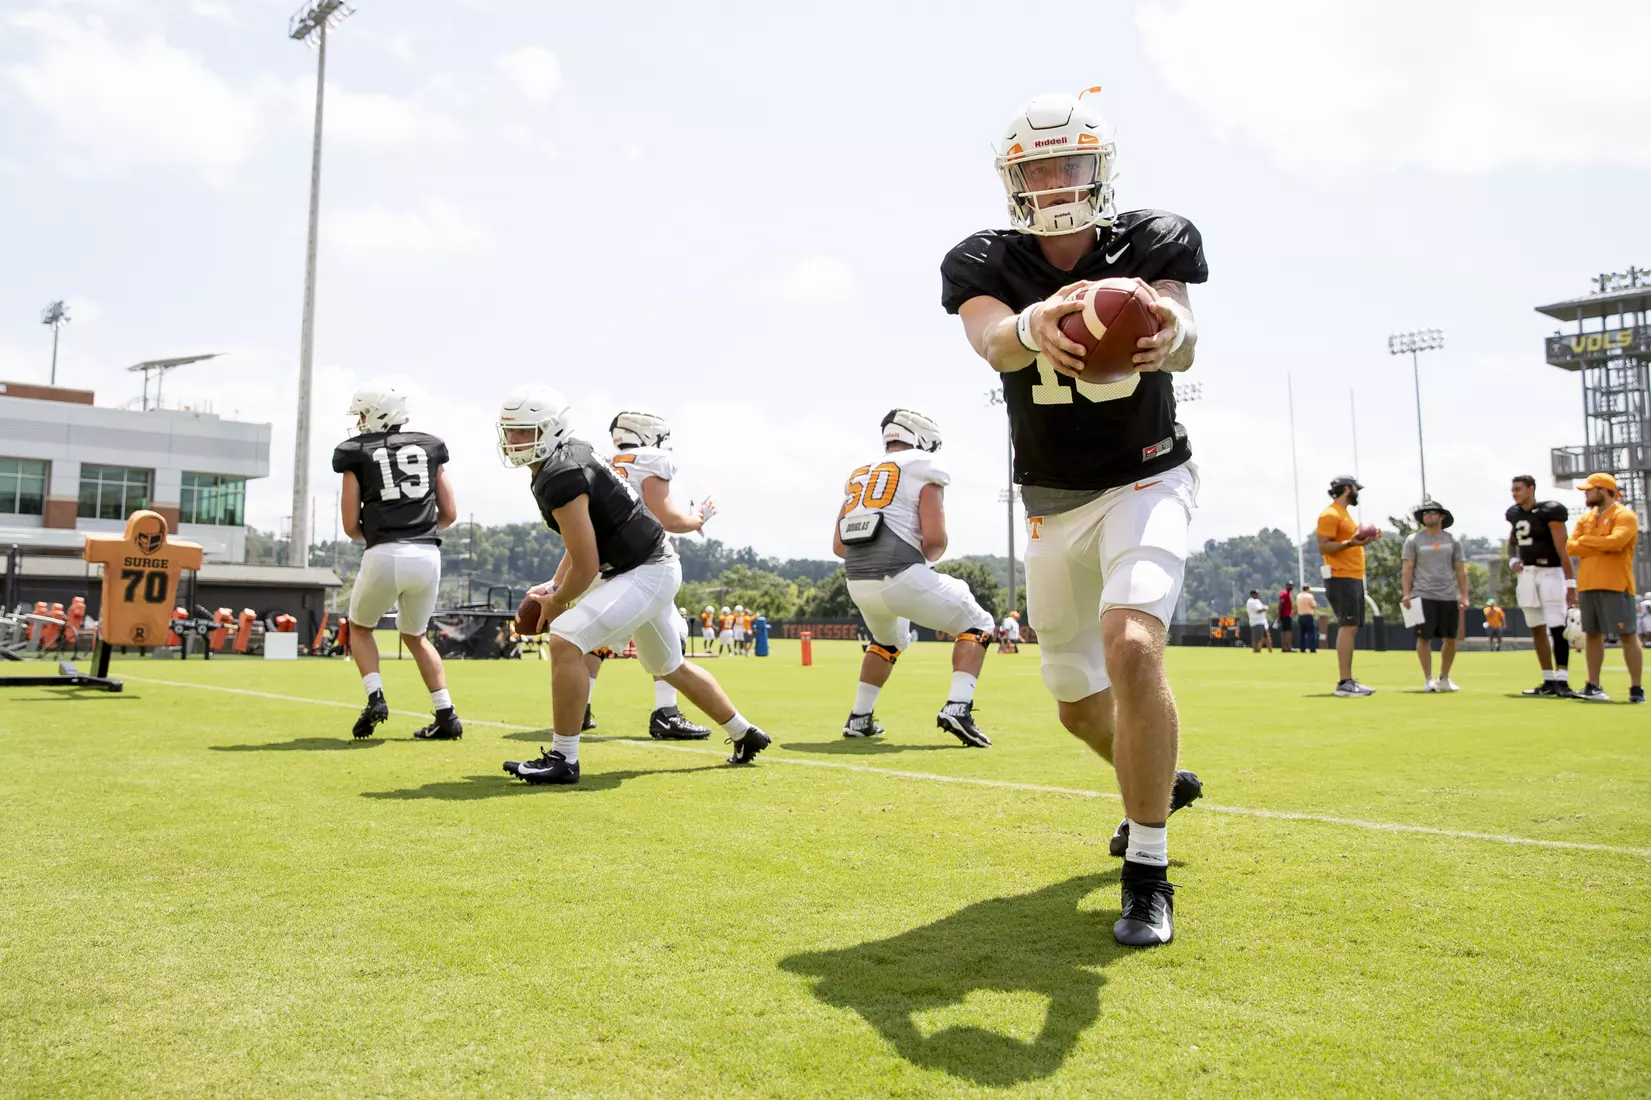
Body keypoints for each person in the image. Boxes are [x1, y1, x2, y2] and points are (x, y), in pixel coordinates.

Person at [942, 89, 1206, 945]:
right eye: (1037, 168)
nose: (1055, 182)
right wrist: (1035, 321)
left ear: (1100, 168)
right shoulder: (985, 259)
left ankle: (1147, 866)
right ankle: (1156, 783)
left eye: (1069, 164)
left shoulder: (1151, 237)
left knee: (1131, 645)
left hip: (1146, 479)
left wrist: (1167, 325)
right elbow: (991, 342)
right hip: (1052, 504)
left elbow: (1182, 325)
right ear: (1012, 178)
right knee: (1073, 699)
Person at [493, 386, 770, 784]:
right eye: (509, 432)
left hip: (645, 569)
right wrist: (554, 584)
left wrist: (557, 602)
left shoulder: (561, 473)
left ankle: (563, 758)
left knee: (565, 639)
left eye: (523, 431)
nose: (513, 441)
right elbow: (585, 541)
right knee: (669, 666)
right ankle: (745, 732)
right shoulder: (566, 460)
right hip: (642, 566)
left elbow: (587, 563)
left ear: (551, 429)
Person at [834, 409, 996, 747]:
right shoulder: (924, 465)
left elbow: (839, 546)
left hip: (857, 581)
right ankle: (958, 706)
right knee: (978, 623)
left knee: (887, 642)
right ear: (922, 438)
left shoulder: (860, 473)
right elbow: (934, 543)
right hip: (900, 574)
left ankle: (860, 717)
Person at [332, 384, 462, 741]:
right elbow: (449, 513)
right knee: (416, 636)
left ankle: (375, 696)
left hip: (384, 552)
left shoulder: (355, 453)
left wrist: (377, 536)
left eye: (362, 415)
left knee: (360, 628)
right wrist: (418, 530)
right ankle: (446, 713)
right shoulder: (431, 446)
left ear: (376, 414)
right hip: (427, 555)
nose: (359, 423)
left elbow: (349, 525)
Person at [583, 410, 718, 739]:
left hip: (597, 563)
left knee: (589, 640)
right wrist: (697, 519)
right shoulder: (651, 459)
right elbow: (669, 519)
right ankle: (666, 713)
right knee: (674, 634)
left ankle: (580, 708)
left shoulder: (600, 461)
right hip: (641, 565)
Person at [1565, 473, 1644, 703]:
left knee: (1627, 634)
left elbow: (1617, 542)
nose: (1585, 493)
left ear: (1603, 490)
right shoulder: (1587, 517)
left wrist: (1588, 541)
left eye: (1589, 489)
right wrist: (1600, 544)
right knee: (1592, 634)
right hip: (1588, 584)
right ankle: (1593, 685)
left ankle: (1636, 689)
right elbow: (1571, 547)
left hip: (1616, 584)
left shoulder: (1624, 515)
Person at [1507, 474, 1577, 697]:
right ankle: (1548, 679)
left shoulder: (1550, 512)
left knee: (1557, 626)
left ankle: (1563, 680)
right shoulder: (1515, 514)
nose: (1514, 493)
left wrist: (1570, 583)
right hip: (1526, 574)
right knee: (1535, 626)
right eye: (1513, 489)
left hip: (1550, 572)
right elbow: (1512, 542)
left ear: (1531, 489)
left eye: (1518, 489)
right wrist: (1512, 559)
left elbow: (1562, 549)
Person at [1317, 475, 1379, 696]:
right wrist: (1351, 542)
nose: (1357, 492)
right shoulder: (1330, 514)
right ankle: (1345, 682)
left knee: (1351, 626)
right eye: (1355, 488)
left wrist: (1363, 540)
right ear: (1346, 489)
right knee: (1347, 625)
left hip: (1351, 576)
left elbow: (1350, 544)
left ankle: (1347, 681)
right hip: (1341, 577)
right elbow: (1323, 547)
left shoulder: (1344, 515)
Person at [1401, 500, 1468, 692]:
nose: (1427, 516)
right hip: (1421, 595)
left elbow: (1460, 569)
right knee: (1424, 638)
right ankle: (1428, 679)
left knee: (1450, 638)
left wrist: (1464, 595)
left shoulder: (1452, 540)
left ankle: (1444, 678)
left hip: (1447, 595)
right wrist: (1406, 593)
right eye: (1424, 513)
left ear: (1441, 516)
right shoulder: (1413, 540)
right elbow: (1407, 567)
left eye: (1431, 512)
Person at [1295, 586, 1319, 654]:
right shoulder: (1310, 596)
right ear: (1308, 589)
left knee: (1302, 633)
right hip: (1308, 615)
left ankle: (1302, 648)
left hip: (1300, 616)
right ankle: (1312, 649)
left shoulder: (1298, 596)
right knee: (1311, 633)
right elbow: (1314, 605)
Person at [1278, 581, 1295, 652]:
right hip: (1285, 616)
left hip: (1287, 615)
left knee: (1285, 631)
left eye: (1291, 585)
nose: (1290, 587)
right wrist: (1278, 616)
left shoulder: (1288, 594)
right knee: (1287, 632)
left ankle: (1285, 647)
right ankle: (1288, 647)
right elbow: (1280, 605)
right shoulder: (1285, 594)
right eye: (1289, 585)